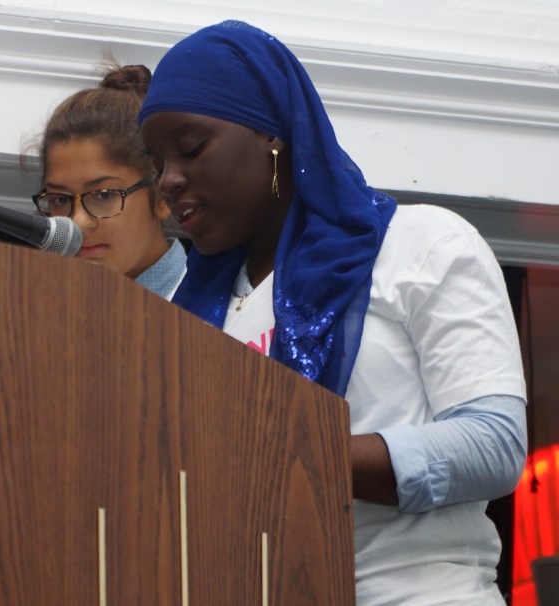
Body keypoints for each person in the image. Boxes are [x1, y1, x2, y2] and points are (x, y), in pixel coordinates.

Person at [139, 21, 527, 605]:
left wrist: (293, 453)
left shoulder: (418, 244)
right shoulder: (180, 313)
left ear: (273, 134)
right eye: (157, 162)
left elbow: (492, 445)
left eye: (190, 148)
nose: (169, 180)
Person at [32, 64, 186, 300]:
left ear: (161, 195)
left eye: (104, 195)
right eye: (60, 200)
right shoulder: (45, 311)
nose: (77, 223)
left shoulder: (215, 308)